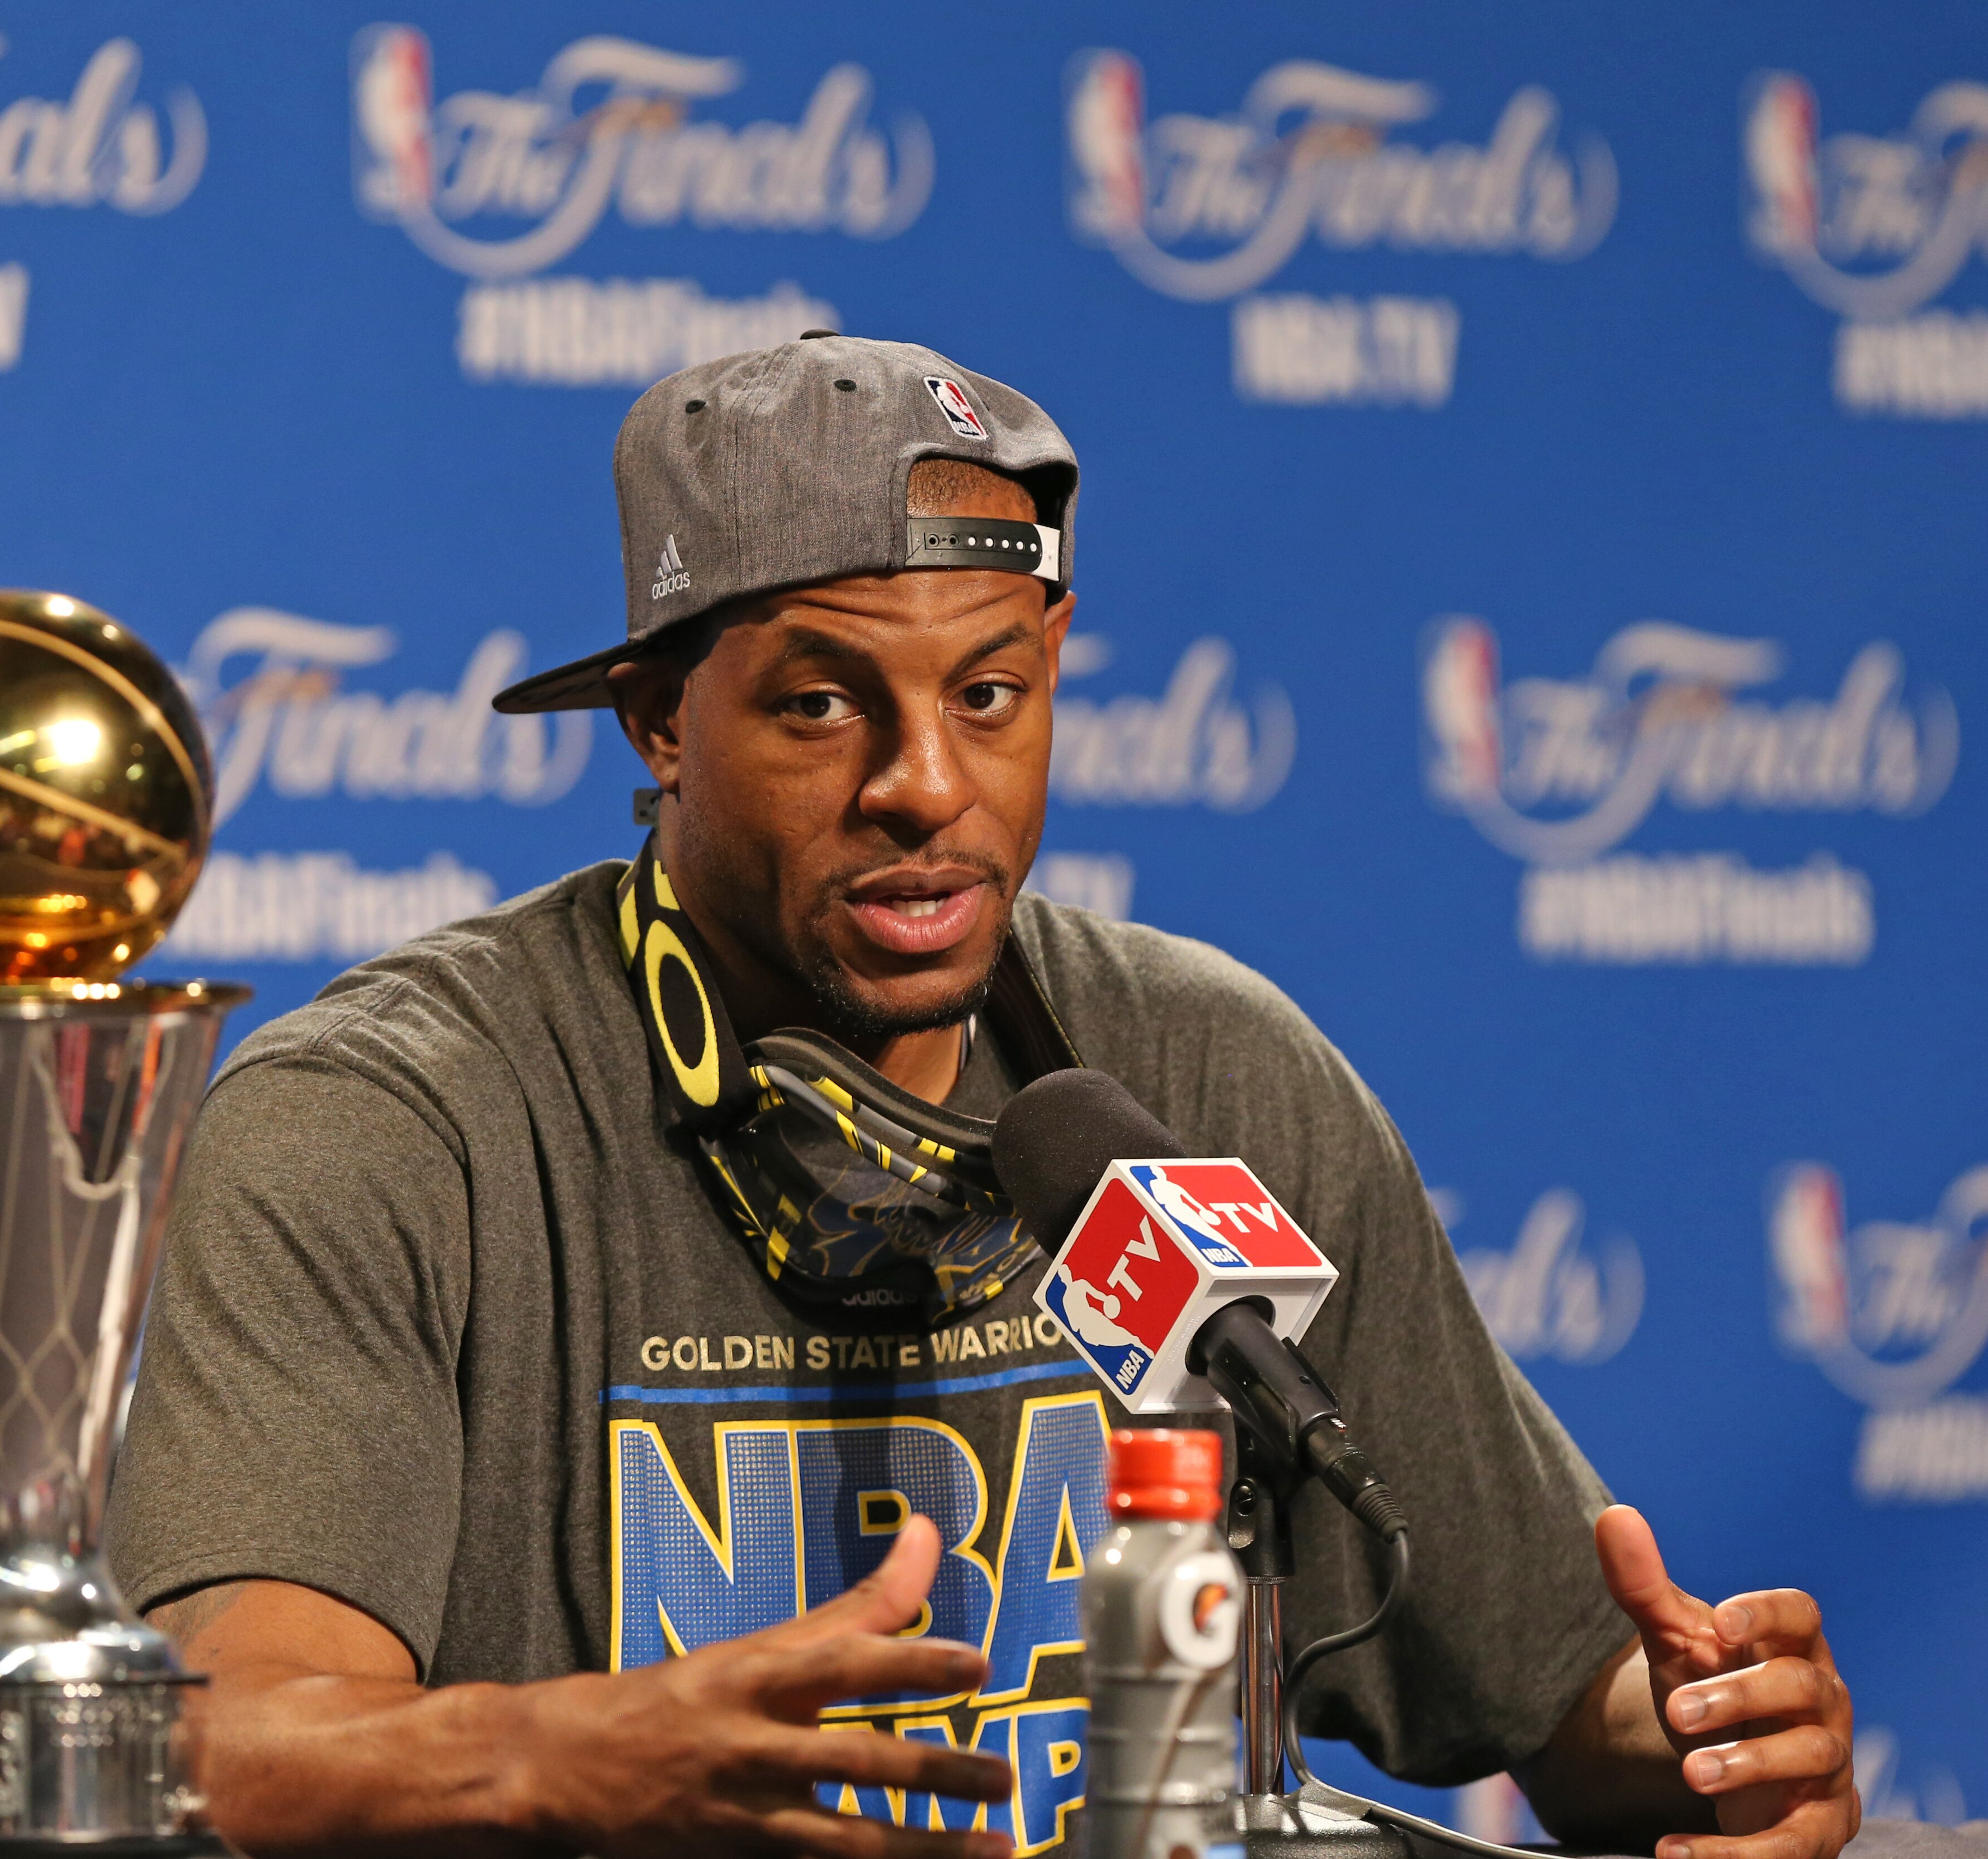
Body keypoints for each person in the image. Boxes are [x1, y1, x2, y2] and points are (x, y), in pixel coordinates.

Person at [107, 334, 1858, 1859]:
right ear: (657, 719)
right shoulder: (393, 1121)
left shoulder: (1214, 1073)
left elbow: (1574, 1702)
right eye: (819, 706)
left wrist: (1713, 1733)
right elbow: (222, 1744)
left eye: (991, 694)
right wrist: (564, 1759)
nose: (928, 786)